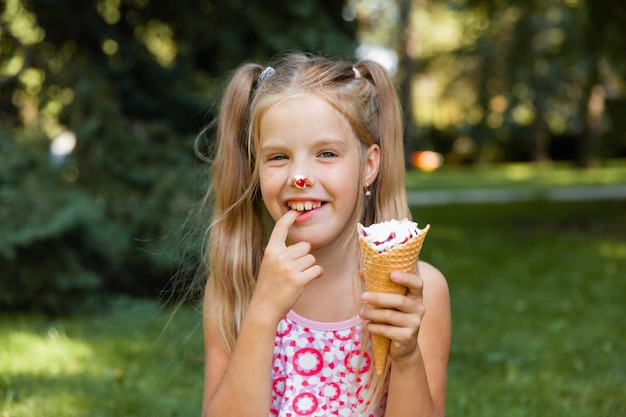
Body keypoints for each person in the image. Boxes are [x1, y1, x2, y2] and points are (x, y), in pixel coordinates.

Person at [199, 53, 451, 417]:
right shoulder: (237, 283)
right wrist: (262, 314)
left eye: (327, 153)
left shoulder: (416, 290)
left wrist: (407, 356)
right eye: (278, 157)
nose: (299, 177)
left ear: (368, 166)